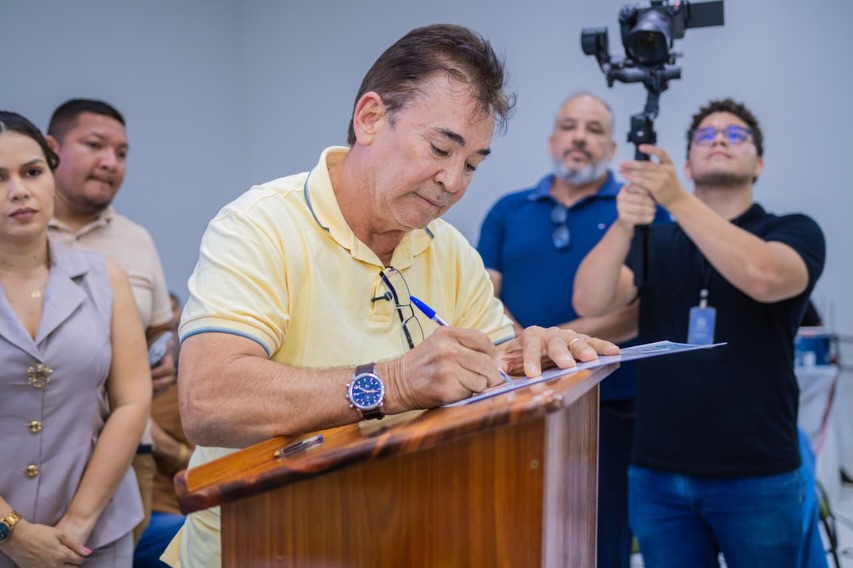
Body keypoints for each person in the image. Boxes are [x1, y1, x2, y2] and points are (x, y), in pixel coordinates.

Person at [162, 23, 619, 567]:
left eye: (472, 164)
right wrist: (395, 382)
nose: (453, 182)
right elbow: (208, 400)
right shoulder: (260, 226)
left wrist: (534, 359)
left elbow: (498, 371)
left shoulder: (450, 250)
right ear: (370, 118)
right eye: (440, 148)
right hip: (258, 547)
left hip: (401, 541)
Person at [573, 98, 826, 567]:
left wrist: (676, 201)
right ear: (687, 164)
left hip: (759, 472)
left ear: (759, 163)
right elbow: (590, 301)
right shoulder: (659, 241)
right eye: (705, 136)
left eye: (735, 135)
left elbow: (766, 278)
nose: (720, 140)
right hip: (657, 474)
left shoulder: (793, 231)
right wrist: (626, 224)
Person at [476, 91, 669, 568]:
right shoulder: (508, 210)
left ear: (612, 149)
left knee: (601, 537)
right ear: (552, 140)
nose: (579, 137)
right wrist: (530, 346)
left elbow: (639, 311)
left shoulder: (640, 211)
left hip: (611, 404)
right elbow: (482, 295)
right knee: (518, 530)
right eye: (569, 126)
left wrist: (549, 342)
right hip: (522, 398)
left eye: (594, 129)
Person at [0, 111, 151, 566]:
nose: (18, 190)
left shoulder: (105, 277)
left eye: (32, 172)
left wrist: (78, 525)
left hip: (92, 537)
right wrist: (10, 531)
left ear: (52, 173)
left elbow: (131, 400)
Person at [44, 99, 176, 544]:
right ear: (52, 149)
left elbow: (160, 326)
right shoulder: (19, 233)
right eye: (94, 145)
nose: (110, 162)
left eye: (121, 153)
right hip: (35, 444)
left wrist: (163, 353)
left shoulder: (137, 240)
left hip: (129, 450)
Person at [134, 292, 192, 568]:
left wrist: (155, 438)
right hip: (130, 512)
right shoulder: (115, 389)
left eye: (173, 316)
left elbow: (208, 468)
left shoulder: (190, 393)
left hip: (169, 511)